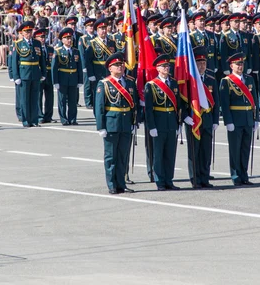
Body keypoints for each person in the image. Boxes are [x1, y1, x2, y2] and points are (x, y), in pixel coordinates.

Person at [96, 53, 138, 194]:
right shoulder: (104, 83)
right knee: (111, 156)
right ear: (110, 68)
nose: (120, 67)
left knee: (123, 156)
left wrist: (134, 122)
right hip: (111, 123)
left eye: (122, 64)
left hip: (126, 123)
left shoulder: (130, 82)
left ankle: (122, 184)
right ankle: (112, 185)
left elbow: (134, 104)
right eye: (117, 65)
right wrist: (101, 126)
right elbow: (100, 107)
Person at [219, 52, 259, 186]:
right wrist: (228, 121)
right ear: (231, 66)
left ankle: (244, 174)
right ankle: (235, 175)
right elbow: (225, 104)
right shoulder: (226, 81)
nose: (240, 66)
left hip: (248, 118)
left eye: (241, 64)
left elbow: (254, 101)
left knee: (245, 149)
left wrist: (256, 118)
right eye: (237, 64)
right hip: (235, 120)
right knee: (235, 149)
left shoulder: (249, 79)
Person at [183, 47, 219, 188]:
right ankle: (195, 179)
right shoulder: (189, 80)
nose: (202, 66)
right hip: (193, 119)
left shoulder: (210, 79)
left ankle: (205, 178)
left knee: (206, 150)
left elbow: (216, 101)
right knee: (194, 151)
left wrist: (216, 120)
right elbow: (183, 100)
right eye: (199, 63)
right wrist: (185, 116)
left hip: (208, 119)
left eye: (204, 63)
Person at [144, 54, 182, 191]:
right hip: (158, 123)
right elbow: (148, 109)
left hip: (171, 122)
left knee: (170, 154)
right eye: (163, 66)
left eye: (168, 66)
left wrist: (178, 123)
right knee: (158, 154)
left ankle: (169, 180)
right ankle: (160, 181)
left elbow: (178, 105)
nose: (166, 68)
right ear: (157, 68)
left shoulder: (174, 83)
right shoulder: (151, 85)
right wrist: (151, 126)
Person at [12, 21, 46, 127]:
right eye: (26, 32)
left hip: (35, 73)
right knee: (25, 99)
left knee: (34, 98)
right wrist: (16, 76)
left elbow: (42, 60)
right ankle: (26, 120)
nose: (28, 33)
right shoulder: (18, 44)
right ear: (22, 33)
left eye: (30, 31)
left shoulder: (37, 43)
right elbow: (14, 61)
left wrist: (43, 72)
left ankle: (34, 120)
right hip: (24, 74)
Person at [52, 28, 83, 125]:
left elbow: (79, 66)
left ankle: (72, 118)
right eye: (67, 38)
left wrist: (80, 80)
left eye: (70, 38)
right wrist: (55, 82)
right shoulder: (58, 51)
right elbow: (54, 68)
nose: (69, 40)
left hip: (73, 78)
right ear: (62, 40)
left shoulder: (75, 51)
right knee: (62, 100)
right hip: (62, 78)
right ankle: (63, 119)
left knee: (72, 100)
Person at [34, 28, 54, 124]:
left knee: (50, 96)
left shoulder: (50, 48)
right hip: (39, 73)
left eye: (44, 37)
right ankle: (39, 116)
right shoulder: (35, 48)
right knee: (39, 95)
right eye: (40, 37)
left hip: (49, 74)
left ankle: (48, 116)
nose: (43, 39)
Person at [78, 18, 96, 109]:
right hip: (87, 65)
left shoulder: (97, 37)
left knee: (95, 84)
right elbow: (82, 53)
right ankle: (88, 102)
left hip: (95, 64)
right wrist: (84, 66)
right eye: (89, 26)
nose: (91, 27)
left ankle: (94, 101)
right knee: (88, 84)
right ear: (86, 28)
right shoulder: (83, 39)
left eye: (92, 26)